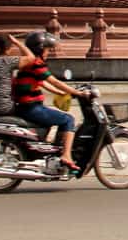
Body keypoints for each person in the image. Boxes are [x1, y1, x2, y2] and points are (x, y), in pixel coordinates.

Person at [13, 30, 82, 173]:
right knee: (68, 119)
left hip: (24, 106)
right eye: (47, 49)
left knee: (55, 120)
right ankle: (66, 155)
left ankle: (53, 151)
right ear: (39, 49)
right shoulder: (36, 63)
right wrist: (76, 92)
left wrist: (61, 92)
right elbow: (53, 81)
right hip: (31, 108)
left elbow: (42, 82)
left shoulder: (28, 63)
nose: (48, 53)